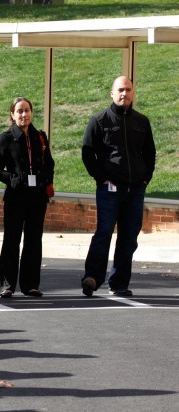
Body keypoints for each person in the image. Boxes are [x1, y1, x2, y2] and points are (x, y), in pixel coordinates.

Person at [80, 76, 155, 297]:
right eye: (120, 90)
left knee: (129, 238)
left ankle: (119, 283)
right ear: (112, 93)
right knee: (103, 232)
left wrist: (145, 179)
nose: (125, 94)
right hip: (109, 190)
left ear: (133, 93)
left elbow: (150, 154)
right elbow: (87, 152)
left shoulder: (142, 122)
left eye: (128, 90)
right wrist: (101, 178)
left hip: (135, 191)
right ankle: (92, 278)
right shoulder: (99, 120)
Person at [0, 97, 55, 298]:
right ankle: (7, 284)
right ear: (12, 114)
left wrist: (45, 179)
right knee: (12, 240)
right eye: (19, 111)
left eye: (27, 110)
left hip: (37, 198)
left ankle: (30, 285)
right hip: (16, 197)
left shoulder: (40, 137)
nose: (24, 114)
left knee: (34, 240)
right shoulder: (6, 138)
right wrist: (13, 179)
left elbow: (49, 164)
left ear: (32, 112)